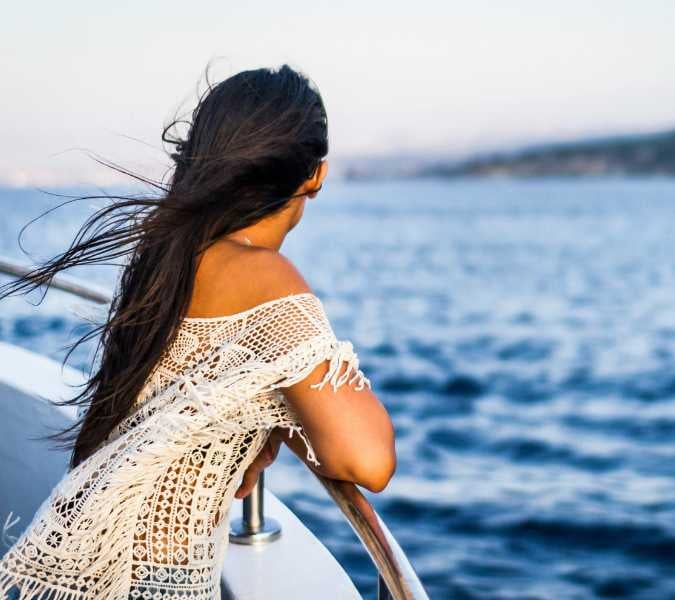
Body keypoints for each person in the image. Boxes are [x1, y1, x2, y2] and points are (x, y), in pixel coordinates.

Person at [0, 63, 395, 599]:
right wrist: (287, 412)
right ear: (316, 176)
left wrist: (273, 412)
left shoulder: (169, 253)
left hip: (97, 554)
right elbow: (368, 461)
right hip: (154, 584)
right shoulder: (262, 275)